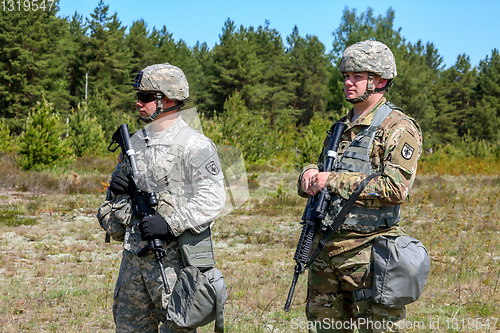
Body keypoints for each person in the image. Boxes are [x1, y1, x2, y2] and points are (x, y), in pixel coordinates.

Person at [297, 40, 423, 332]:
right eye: (345, 76)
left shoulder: (397, 127)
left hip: (368, 254)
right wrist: (309, 174)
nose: (348, 82)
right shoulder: (340, 127)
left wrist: (333, 180)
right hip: (326, 248)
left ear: (379, 80)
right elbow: (322, 170)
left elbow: (395, 189)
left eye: (356, 76)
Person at [97, 63, 226, 333]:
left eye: (145, 97)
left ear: (166, 99)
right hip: (134, 262)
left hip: (174, 264)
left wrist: (170, 224)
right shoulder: (135, 143)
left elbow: (213, 199)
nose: (138, 102)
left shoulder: (195, 144)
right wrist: (116, 190)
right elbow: (112, 211)